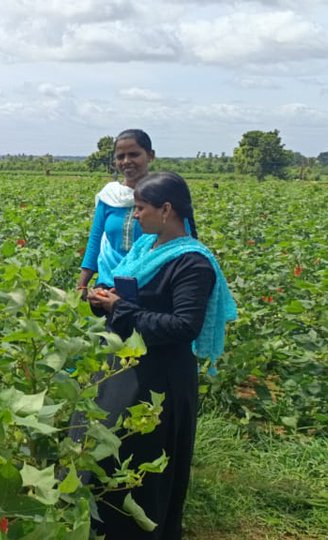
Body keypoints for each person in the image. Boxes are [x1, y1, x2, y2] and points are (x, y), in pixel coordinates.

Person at [86, 172, 237, 539]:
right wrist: (102, 298)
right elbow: (128, 295)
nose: (135, 216)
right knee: (105, 457)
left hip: (157, 382)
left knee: (140, 466)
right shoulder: (144, 249)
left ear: (166, 209)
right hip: (123, 369)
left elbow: (184, 326)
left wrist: (120, 309)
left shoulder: (192, 262)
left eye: (140, 208)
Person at [77, 129, 156, 295]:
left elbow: (182, 242)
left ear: (150, 155)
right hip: (108, 287)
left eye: (134, 154)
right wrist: (82, 284)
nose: (126, 161)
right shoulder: (109, 196)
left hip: (153, 288)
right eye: (120, 157)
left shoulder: (163, 195)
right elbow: (95, 240)